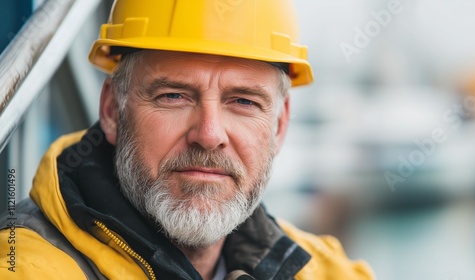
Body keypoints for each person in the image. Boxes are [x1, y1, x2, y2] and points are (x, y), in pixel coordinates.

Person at [0, 0, 374, 279]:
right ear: (113, 109)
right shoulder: (22, 268)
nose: (209, 135)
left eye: (243, 101)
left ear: (279, 126)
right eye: (173, 96)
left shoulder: (326, 270)